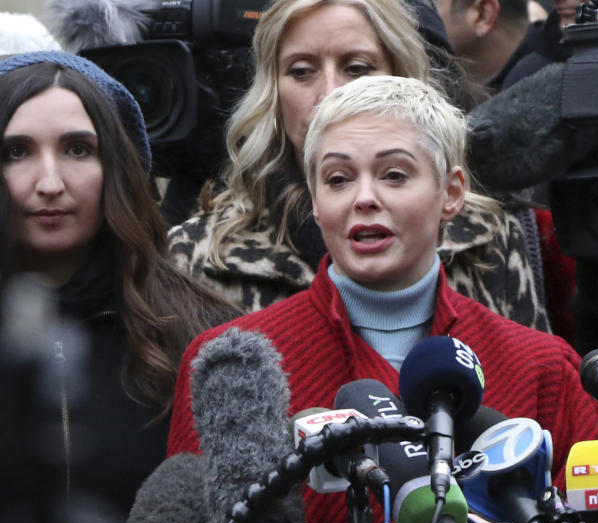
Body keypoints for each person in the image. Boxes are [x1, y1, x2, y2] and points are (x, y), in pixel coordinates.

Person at [167, 75, 598, 523]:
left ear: (451, 192)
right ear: (315, 202)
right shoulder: (233, 367)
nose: (363, 198)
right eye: (338, 179)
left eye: (394, 175)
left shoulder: (542, 367)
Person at [168, 0, 550, 333]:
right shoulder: (202, 255)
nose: (331, 93)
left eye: (356, 67)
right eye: (301, 71)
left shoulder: (486, 236)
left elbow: (534, 398)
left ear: (403, 79)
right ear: (271, 92)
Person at [0, 51, 238, 517]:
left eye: (77, 149)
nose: (49, 182)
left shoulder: (205, 339)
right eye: (16, 152)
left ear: (119, 169)